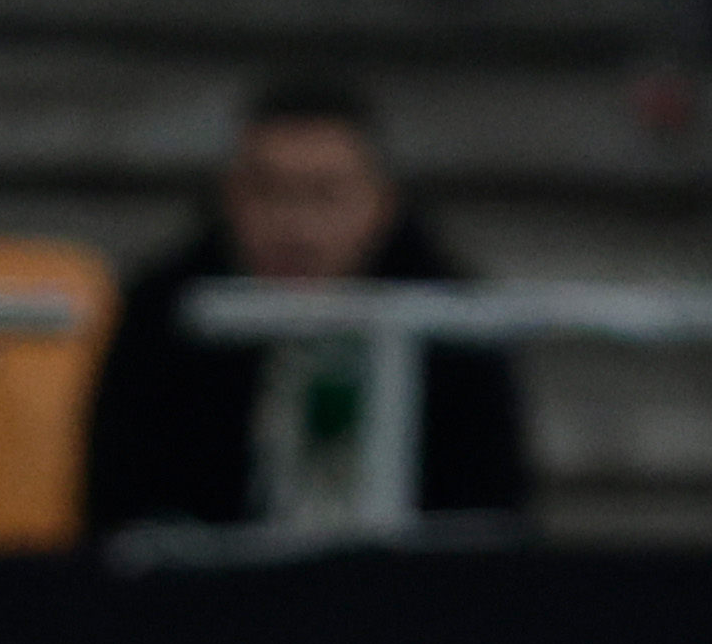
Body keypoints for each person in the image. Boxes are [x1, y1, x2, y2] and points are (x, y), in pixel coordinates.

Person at [83, 75, 530, 534]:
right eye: (268, 191)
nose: (294, 226)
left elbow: (490, 513)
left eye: (324, 194)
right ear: (230, 196)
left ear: (381, 205)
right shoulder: (167, 316)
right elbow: (120, 508)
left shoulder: (451, 326)